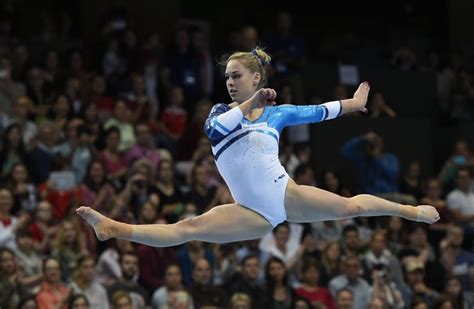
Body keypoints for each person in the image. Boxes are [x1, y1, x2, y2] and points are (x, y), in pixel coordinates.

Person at [76, 47, 439, 248]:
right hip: (252, 213)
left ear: (256, 77)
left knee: (353, 206)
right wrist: (250, 106)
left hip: (285, 195)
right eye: (227, 78)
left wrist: (354, 104)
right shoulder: (220, 113)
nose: (231, 82)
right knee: (187, 228)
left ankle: (410, 211)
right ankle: (114, 227)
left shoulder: (277, 114)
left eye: (236, 76)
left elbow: (317, 111)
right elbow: (218, 129)